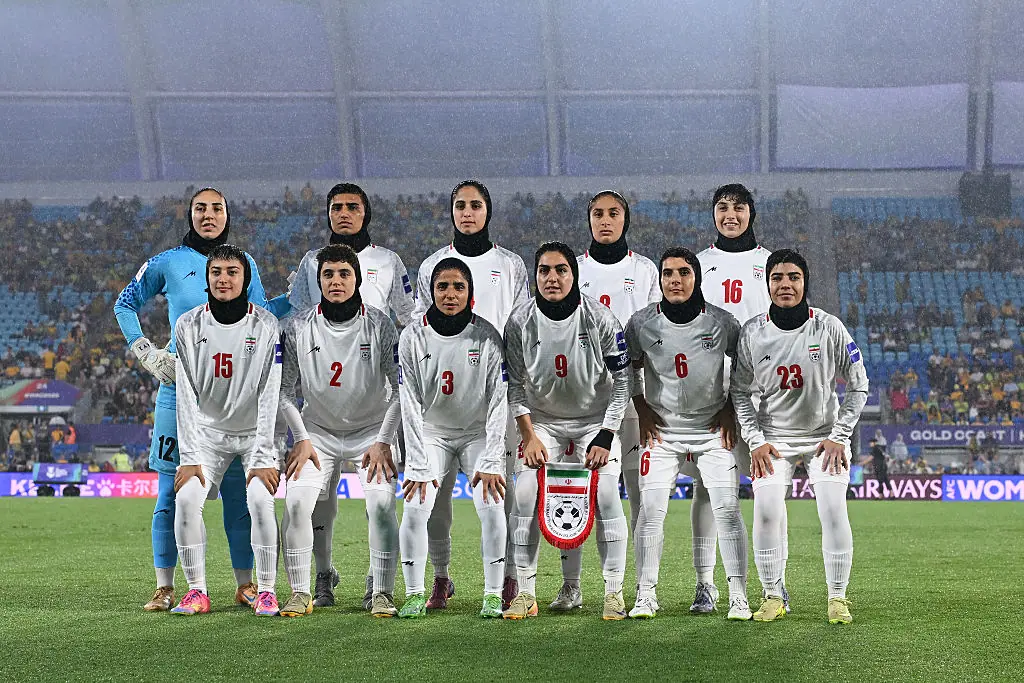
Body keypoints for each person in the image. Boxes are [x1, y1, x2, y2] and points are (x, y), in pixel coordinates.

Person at [114, 187, 287, 612]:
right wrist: (144, 350)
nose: (208, 215)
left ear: (228, 214)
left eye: (217, 208)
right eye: (200, 208)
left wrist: (301, 295)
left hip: (233, 397)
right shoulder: (167, 262)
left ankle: (246, 585)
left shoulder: (244, 263)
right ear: (189, 214)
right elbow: (124, 303)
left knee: (236, 493)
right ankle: (165, 585)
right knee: (172, 490)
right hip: (180, 390)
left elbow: (262, 314)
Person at [288, 183, 415, 609]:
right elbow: (299, 319)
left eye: (352, 207)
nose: (344, 213)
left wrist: (387, 436)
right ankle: (321, 577)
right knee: (314, 506)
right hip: (319, 423)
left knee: (380, 507)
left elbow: (408, 319)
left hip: (373, 422)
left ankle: (379, 586)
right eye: (336, 207)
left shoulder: (388, 266)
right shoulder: (309, 267)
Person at [731, 250, 869, 625]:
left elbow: (859, 386)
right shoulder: (753, 332)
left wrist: (840, 435)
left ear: (805, 282)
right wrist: (755, 440)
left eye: (793, 277)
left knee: (833, 510)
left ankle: (837, 598)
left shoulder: (829, 327)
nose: (785, 284)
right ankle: (773, 595)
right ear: (768, 283)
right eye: (777, 277)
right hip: (773, 438)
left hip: (824, 437)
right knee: (766, 512)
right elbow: (739, 391)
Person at [413, 181, 530, 610]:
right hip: (443, 403)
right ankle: (441, 578)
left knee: (506, 494)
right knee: (436, 496)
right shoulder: (431, 267)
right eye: (460, 205)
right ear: (451, 212)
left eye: (475, 205)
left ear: (488, 211)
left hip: (496, 397)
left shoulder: (511, 264)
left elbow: (518, 328)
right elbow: (422, 330)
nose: (467, 212)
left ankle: (509, 579)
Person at [502, 242, 631, 621]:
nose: (552, 278)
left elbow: (623, 383)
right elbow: (515, 385)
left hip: (595, 422)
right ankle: (526, 592)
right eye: (544, 270)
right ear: (535, 275)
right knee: (525, 495)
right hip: (544, 424)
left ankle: (612, 593)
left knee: (606, 493)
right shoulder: (519, 321)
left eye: (561, 270)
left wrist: (606, 435)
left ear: (574, 275)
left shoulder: (601, 318)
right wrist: (528, 435)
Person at [625, 247, 751, 620]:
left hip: (712, 429)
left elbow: (743, 368)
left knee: (727, 509)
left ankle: (738, 595)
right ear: (660, 279)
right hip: (662, 430)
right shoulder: (641, 322)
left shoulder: (721, 322)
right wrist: (641, 405)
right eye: (667, 273)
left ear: (697, 278)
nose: (675, 280)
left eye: (683, 272)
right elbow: (628, 366)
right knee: (649, 511)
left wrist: (730, 408)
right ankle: (645, 594)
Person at [554, 191, 658, 611]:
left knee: (638, 495)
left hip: (635, 399)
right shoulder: (572, 269)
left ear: (625, 220)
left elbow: (656, 331)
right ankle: (572, 586)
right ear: (589, 221)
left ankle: (638, 588)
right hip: (582, 402)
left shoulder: (644, 269)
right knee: (577, 495)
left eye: (613, 213)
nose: (605, 220)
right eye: (597, 213)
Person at [169, 245, 283, 616]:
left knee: (261, 500)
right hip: (207, 435)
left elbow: (270, 393)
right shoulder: (187, 325)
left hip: (254, 434)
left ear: (245, 279)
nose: (223, 278)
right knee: (185, 500)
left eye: (232, 272)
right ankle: (197, 591)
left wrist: (265, 456)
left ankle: (266, 590)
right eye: (216, 271)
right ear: (207, 278)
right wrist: (189, 458)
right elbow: (185, 394)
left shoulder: (266, 325)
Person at [397, 258, 509, 619]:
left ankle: (493, 594)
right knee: (418, 507)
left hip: (477, 435)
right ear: (431, 291)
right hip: (433, 434)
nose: (450, 294)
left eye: (458, 287)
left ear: (470, 294)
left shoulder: (488, 336)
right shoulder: (413, 335)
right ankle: (420, 590)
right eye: (442, 286)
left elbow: (498, 401)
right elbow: (409, 401)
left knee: (492, 508)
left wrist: (493, 459)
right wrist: (415, 460)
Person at [693, 183, 783, 613]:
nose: (731, 215)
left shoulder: (770, 265)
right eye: (723, 208)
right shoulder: (698, 266)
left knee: (769, 490)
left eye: (739, 208)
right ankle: (705, 584)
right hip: (710, 395)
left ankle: (774, 583)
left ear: (752, 213)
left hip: (764, 395)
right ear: (713, 214)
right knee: (707, 493)